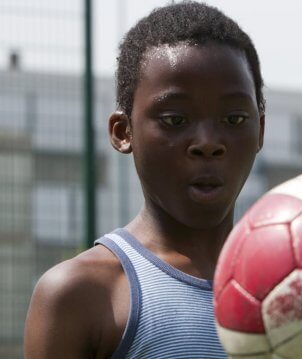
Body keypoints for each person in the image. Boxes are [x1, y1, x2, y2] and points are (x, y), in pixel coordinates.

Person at [24, 2, 265, 358]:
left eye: (233, 119)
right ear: (123, 132)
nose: (208, 143)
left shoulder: (298, 286)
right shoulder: (83, 293)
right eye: (174, 119)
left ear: (261, 129)